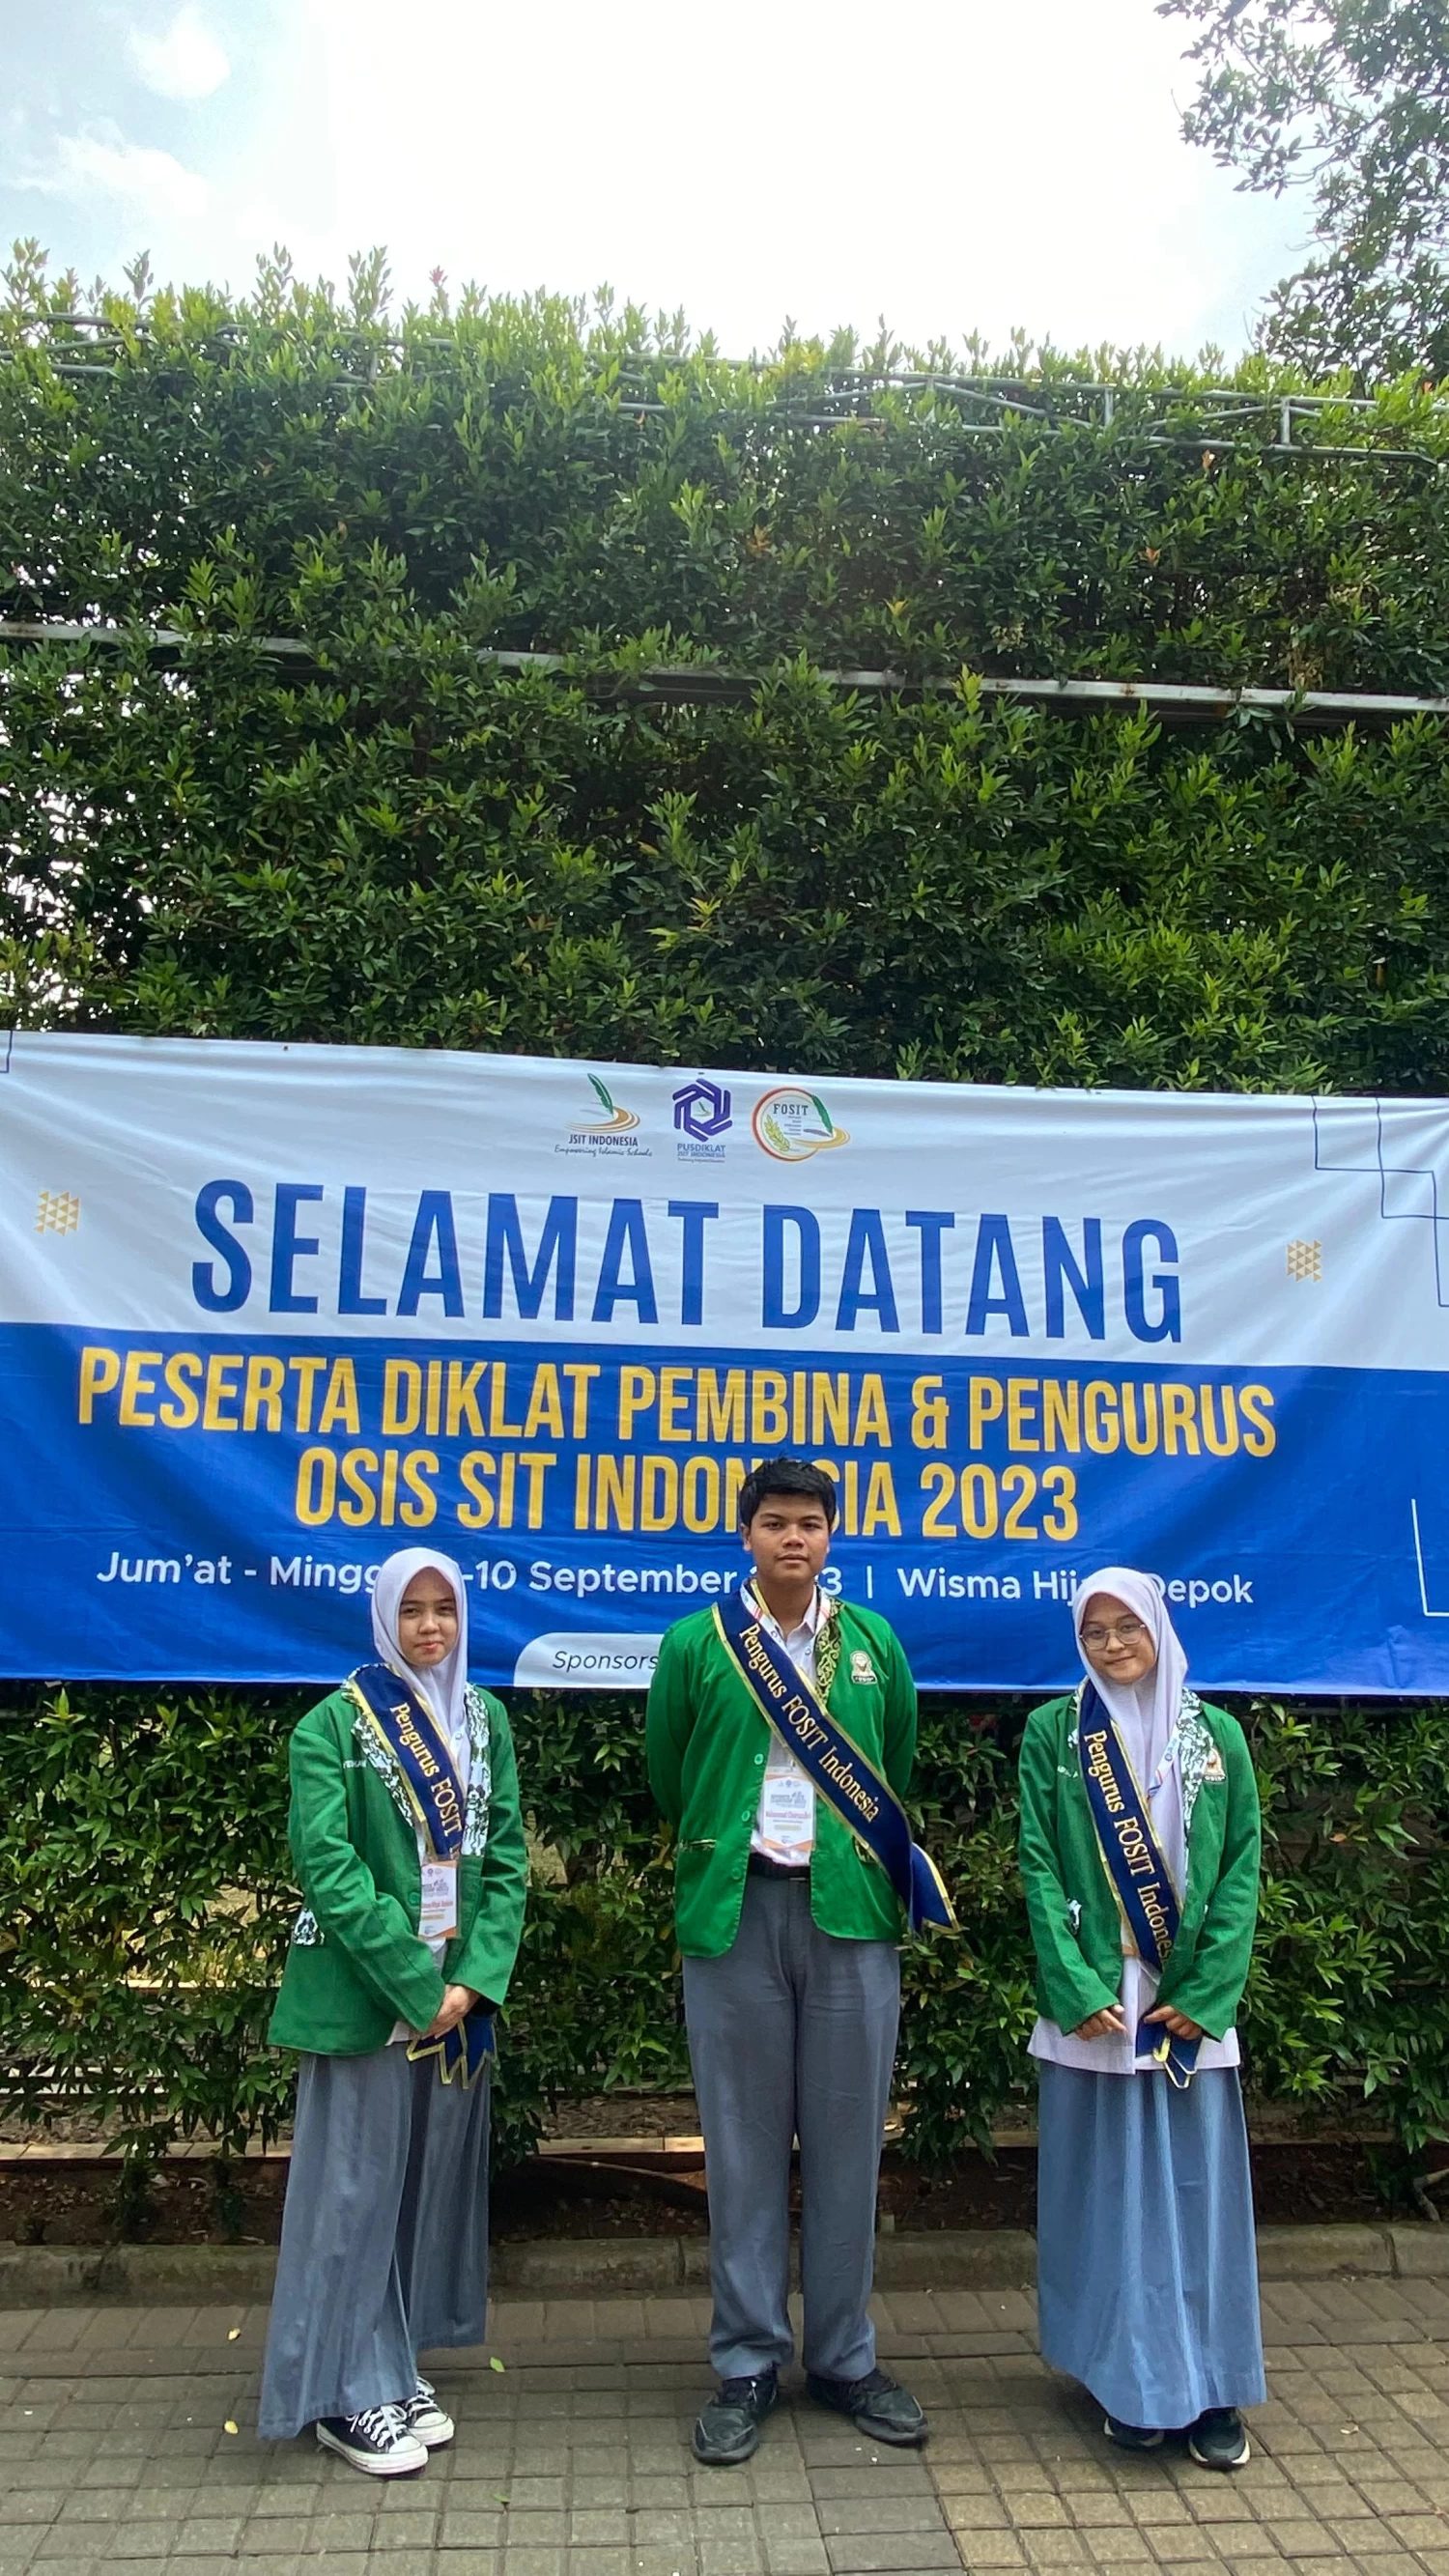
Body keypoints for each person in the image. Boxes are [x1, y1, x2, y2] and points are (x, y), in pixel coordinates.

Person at [646, 1458, 952, 2468]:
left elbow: (894, 1757)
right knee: (738, 2149)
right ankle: (745, 2362)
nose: (793, 1538)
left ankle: (843, 2357)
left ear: (830, 1536)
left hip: (849, 1918)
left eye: (809, 1523)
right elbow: (670, 1771)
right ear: (746, 1535)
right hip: (735, 1915)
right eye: (775, 1521)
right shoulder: (696, 1644)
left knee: (847, 2146)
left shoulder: (872, 1644)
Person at [258, 1546, 527, 2475]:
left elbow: (507, 1860)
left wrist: (472, 1982)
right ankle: (341, 2394)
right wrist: (420, 1986)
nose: (430, 1626)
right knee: (352, 2193)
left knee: (415, 2192)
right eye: (411, 1610)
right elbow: (330, 1871)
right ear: (383, 1618)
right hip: (371, 1998)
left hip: (455, 2002)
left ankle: (388, 2362)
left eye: (443, 1608)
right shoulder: (331, 1726)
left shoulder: (486, 1719)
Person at [1018, 1566, 1264, 2470]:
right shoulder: (1054, 1733)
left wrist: (1205, 1993)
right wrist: (1073, 1984)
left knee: (1199, 2196)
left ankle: (1212, 2384)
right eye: (1095, 1630)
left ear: (1158, 1627)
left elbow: (1240, 1868)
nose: (1113, 1643)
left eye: (1128, 1626)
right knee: (1105, 2193)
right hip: (1099, 2003)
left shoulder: (1217, 1735)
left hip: (1185, 2002)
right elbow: (1038, 1861)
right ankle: (1125, 2376)